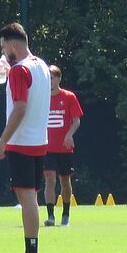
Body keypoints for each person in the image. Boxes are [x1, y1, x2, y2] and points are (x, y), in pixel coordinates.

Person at [0, 23, 50, 253]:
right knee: (31, 198)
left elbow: (20, 107)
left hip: (21, 141)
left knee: (26, 199)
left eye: (4, 48)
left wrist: (2, 141)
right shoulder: (42, 66)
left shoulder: (20, 71)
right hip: (38, 140)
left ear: (13, 45)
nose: (4, 53)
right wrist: (3, 72)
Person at [43, 65, 83, 227]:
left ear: (59, 79)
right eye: (48, 78)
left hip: (64, 148)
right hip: (46, 147)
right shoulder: (41, 97)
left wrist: (69, 135)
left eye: (52, 78)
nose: (50, 81)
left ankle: (65, 214)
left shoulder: (69, 97)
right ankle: (51, 216)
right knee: (49, 179)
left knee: (65, 181)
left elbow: (76, 120)